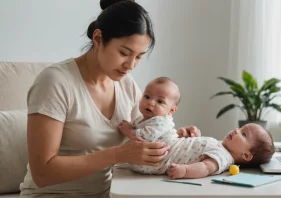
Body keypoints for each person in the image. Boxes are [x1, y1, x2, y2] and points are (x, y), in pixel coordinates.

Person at [20, 0, 200, 197]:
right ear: (98, 39)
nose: (130, 65)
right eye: (124, 53)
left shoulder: (125, 83)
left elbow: (141, 137)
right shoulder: (55, 82)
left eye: (139, 57)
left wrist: (174, 137)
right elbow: (42, 173)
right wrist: (117, 154)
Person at [119, 77, 275, 179]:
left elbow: (206, 167)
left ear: (247, 155)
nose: (236, 130)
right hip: (151, 152)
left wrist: (185, 171)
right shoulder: (219, 145)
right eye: (146, 96)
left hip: (151, 161)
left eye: (244, 135)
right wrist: (183, 136)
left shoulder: (224, 158)